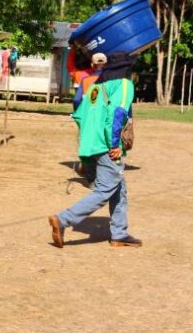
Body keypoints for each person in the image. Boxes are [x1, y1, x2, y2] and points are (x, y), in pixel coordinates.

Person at [49, 53, 141, 248]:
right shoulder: (124, 84)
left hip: (90, 145)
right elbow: (117, 114)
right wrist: (114, 144)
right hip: (107, 145)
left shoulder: (94, 86)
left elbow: (79, 115)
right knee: (104, 190)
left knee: (119, 188)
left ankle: (119, 233)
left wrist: (89, 142)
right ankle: (63, 219)